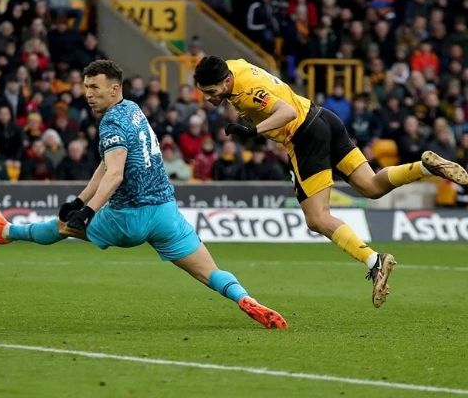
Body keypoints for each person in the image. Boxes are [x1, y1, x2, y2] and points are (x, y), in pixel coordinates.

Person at [0, 60, 287, 329]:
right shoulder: (133, 109)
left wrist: (86, 212)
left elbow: (115, 173)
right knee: (210, 272)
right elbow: (107, 163)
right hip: (165, 212)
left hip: (129, 218)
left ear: (114, 89)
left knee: (62, 227)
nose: (88, 94)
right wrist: (80, 199)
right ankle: (245, 298)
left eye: (95, 87)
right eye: (86, 87)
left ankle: (5, 231)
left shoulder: (111, 121)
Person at [193, 55, 468, 308]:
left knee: (317, 219)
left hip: (304, 137)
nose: (207, 97)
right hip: (324, 118)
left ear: (226, 80)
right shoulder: (232, 66)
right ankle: (425, 167)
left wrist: (253, 130)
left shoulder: (249, 92)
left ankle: (375, 261)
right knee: (371, 186)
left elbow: (286, 112)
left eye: (210, 91)